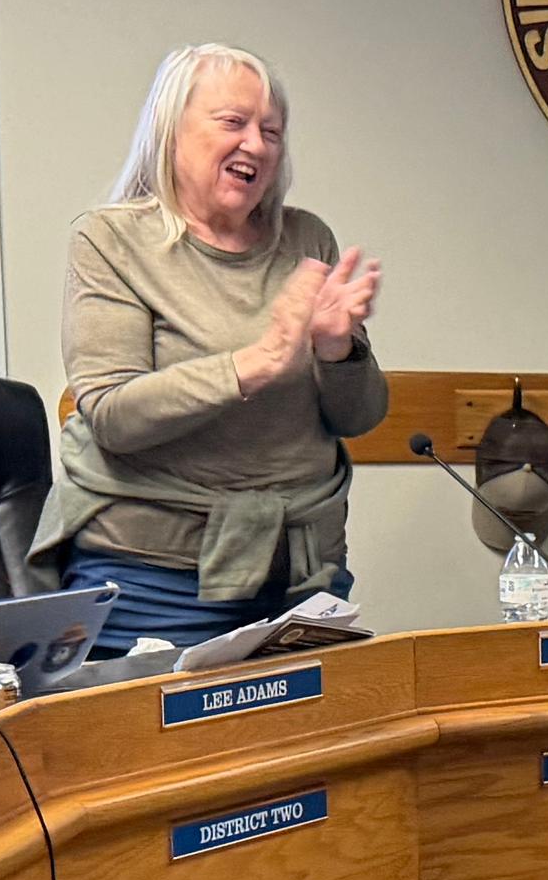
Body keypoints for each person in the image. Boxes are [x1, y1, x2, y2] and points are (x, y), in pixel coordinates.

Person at [32, 43, 386, 654]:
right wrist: (257, 361)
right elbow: (114, 415)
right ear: (171, 131)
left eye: (271, 131)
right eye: (233, 123)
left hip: (303, 574)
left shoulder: (307, 238)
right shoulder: (111, 240)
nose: (256, 145)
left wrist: (337, 351)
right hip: (151, 576)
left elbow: (358, 417)